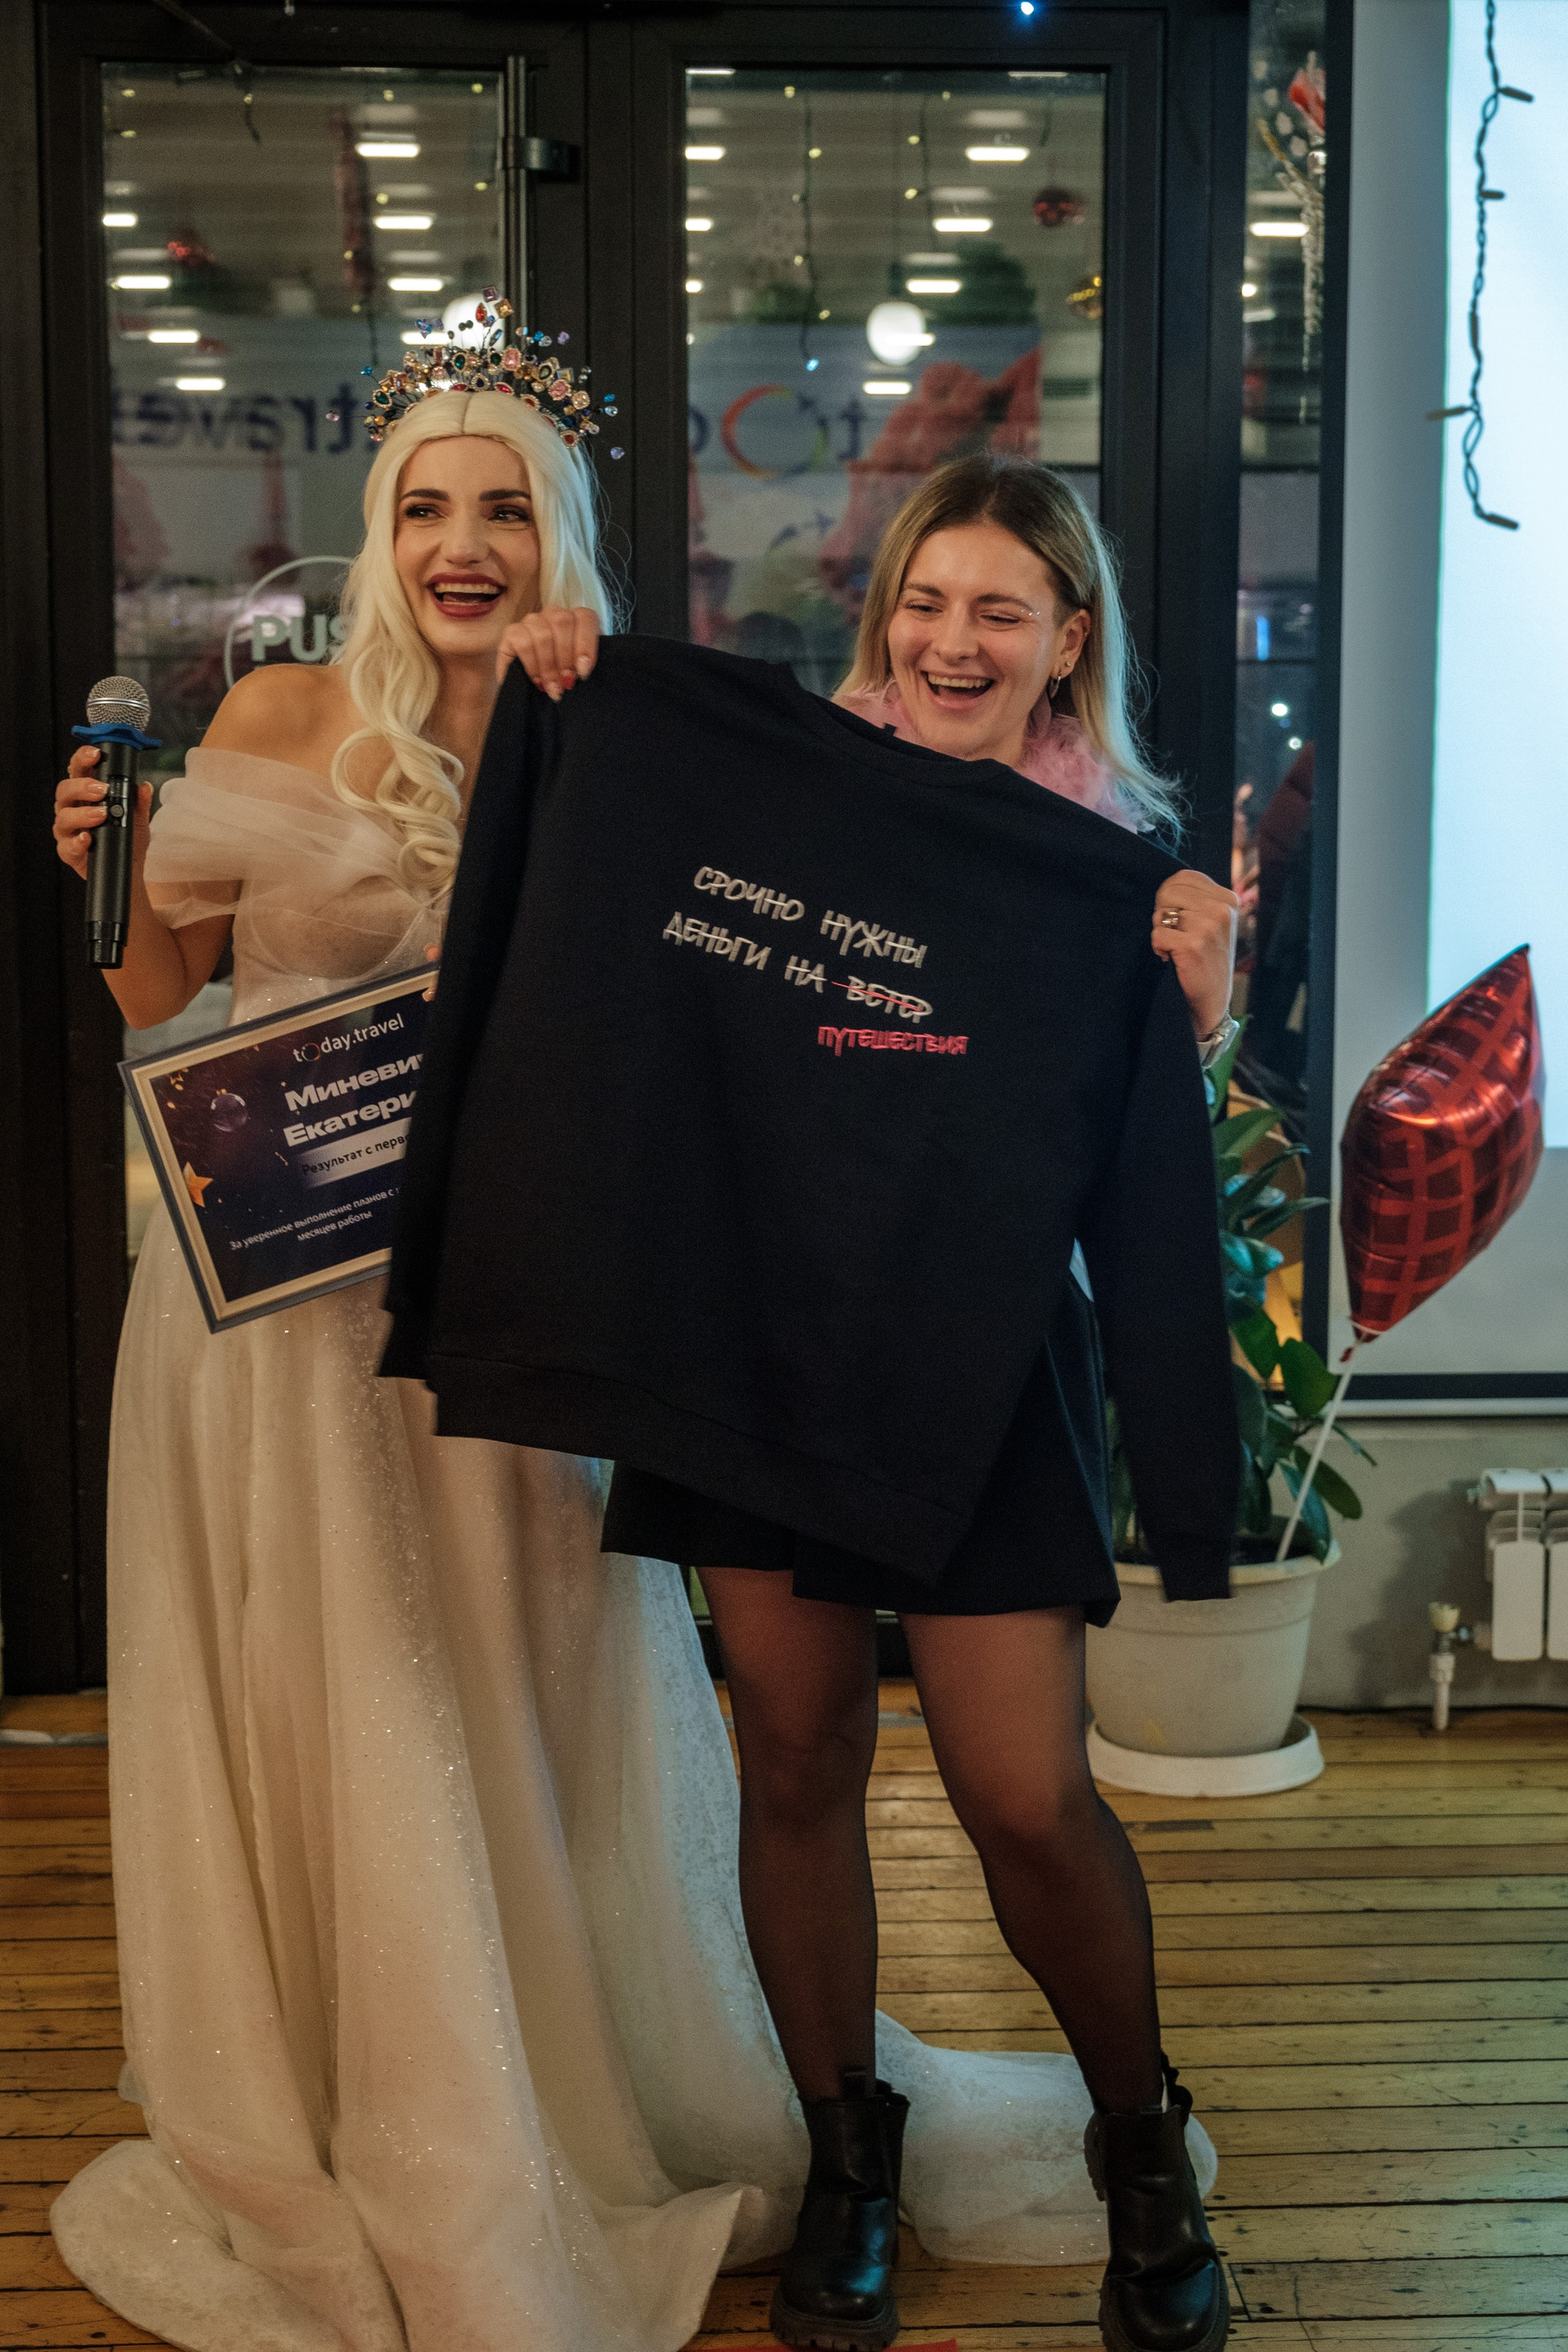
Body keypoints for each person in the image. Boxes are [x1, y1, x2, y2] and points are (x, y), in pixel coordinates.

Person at [47, 379, 809, 2352]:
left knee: (516, 1687)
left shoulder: (614, 733)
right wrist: (98, 873)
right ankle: (358, 2101)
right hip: (280, 1329)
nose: (461, 546)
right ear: (379, 534)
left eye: (504, 508)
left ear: (559, 537)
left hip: (506, 1324)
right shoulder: (280, 715)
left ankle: (544, 2084)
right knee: (336, 1686)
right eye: (423, 510)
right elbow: (162, 995)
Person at [509, 455, 1240, 2352]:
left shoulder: (1106, 877)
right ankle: (849, 2159)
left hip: (982, 1362)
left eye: (1000, 610)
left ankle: (1141, 2148)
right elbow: (622, 901)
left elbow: (1145, 1154)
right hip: (754, 1331)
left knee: (1025, 1796)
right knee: (795, 1756)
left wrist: (1197, 1007)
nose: (951, 640)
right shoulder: (784, 803)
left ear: (1067, 645)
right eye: (926, 602)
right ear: (883, 617)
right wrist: (580, 684)